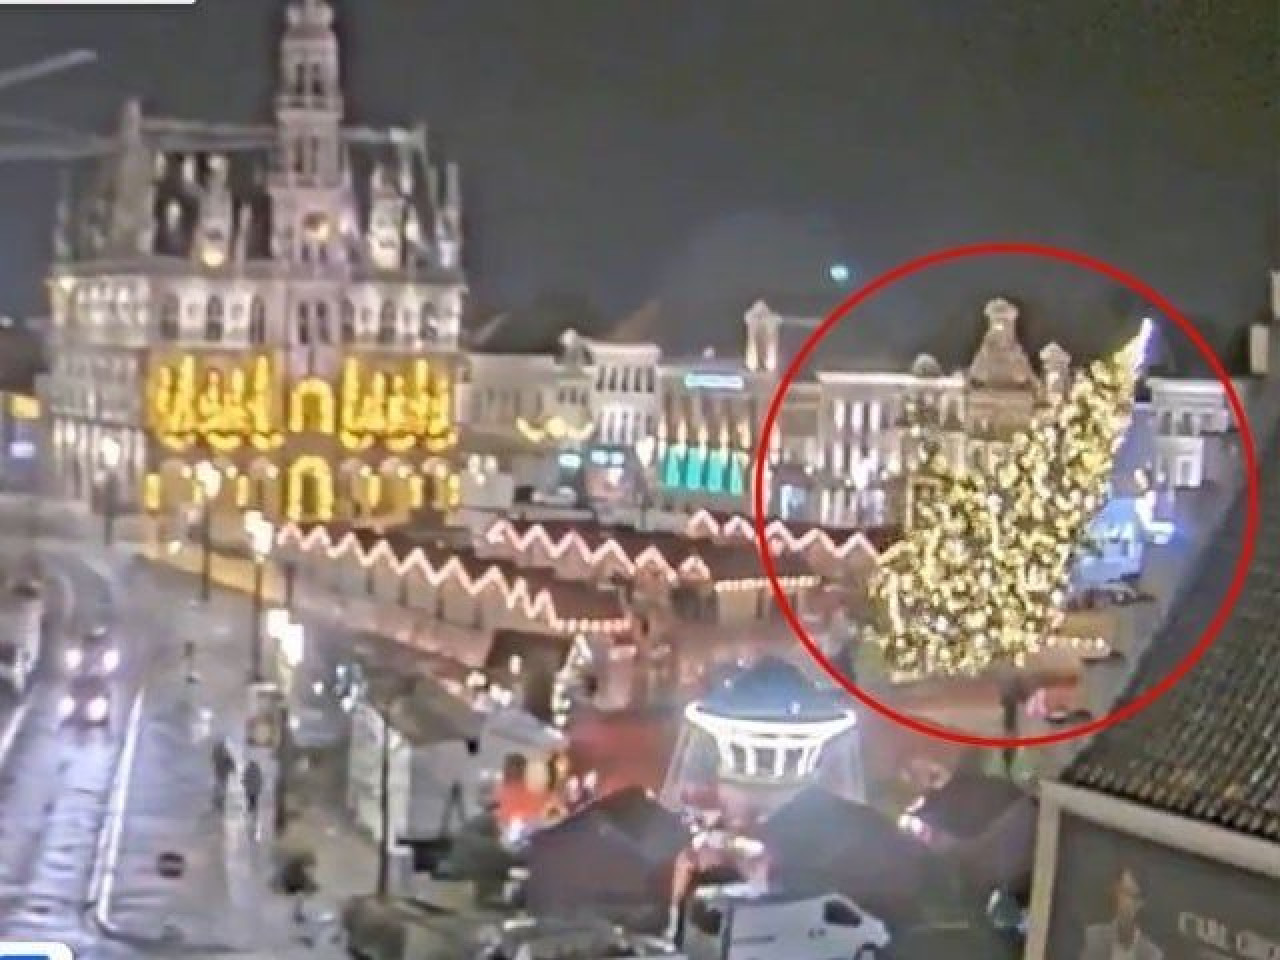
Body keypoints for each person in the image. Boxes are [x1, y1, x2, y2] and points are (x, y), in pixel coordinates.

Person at [1079, 869, 1163, 960]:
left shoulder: (1152, 955)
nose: (1123, 900)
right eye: (1121, 891)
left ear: (1141, 902)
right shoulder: (1093, 937)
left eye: (1130, 894)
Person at [211, 739, 235, 811]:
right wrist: (232, 769)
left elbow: (213, 759)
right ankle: (219, 801)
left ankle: (218, 801)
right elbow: (231, 762)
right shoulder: (225, 754)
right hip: (223, 773)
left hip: (220, 772)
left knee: (219, 786)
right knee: (222, 787)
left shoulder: (218, 753)